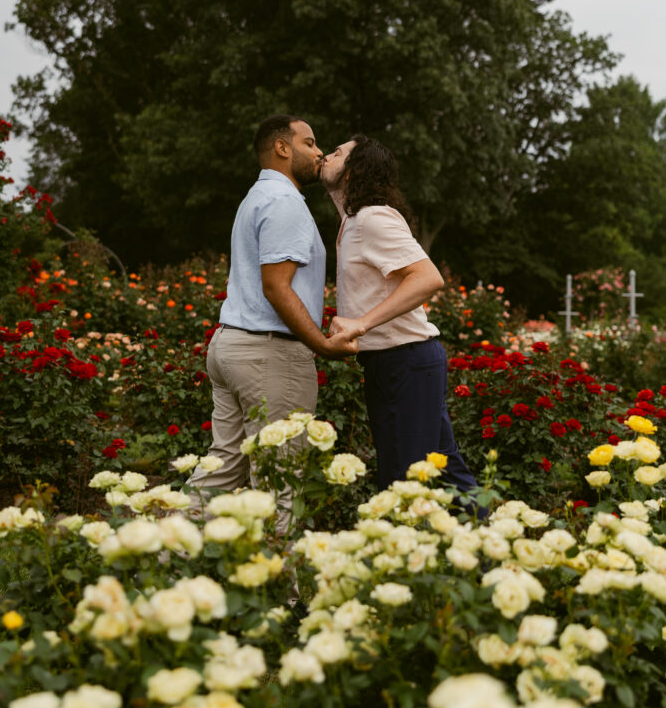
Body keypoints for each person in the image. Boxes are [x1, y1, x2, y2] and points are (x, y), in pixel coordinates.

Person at [188, 115, 358, 527]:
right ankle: (279, 591)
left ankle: (158, 563)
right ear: (283, 148)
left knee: (223, 469)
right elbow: (276, 287)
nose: (319, 152)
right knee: (280, 481)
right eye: (310, 143)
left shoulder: (257, 197)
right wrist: (321, 343)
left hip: (233, 345)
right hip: (269, 354)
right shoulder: (285, 203)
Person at [320, 134, 483, 510]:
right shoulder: (353, 220)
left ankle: (404, 564)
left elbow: (428, 278)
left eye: (338, 152)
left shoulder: (372, 218)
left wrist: (361, 323)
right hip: (402, 363)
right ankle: (495, 551)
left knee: (402, 482)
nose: (327, 154)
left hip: (404, 363)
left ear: (353, 171)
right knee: (445, 472)